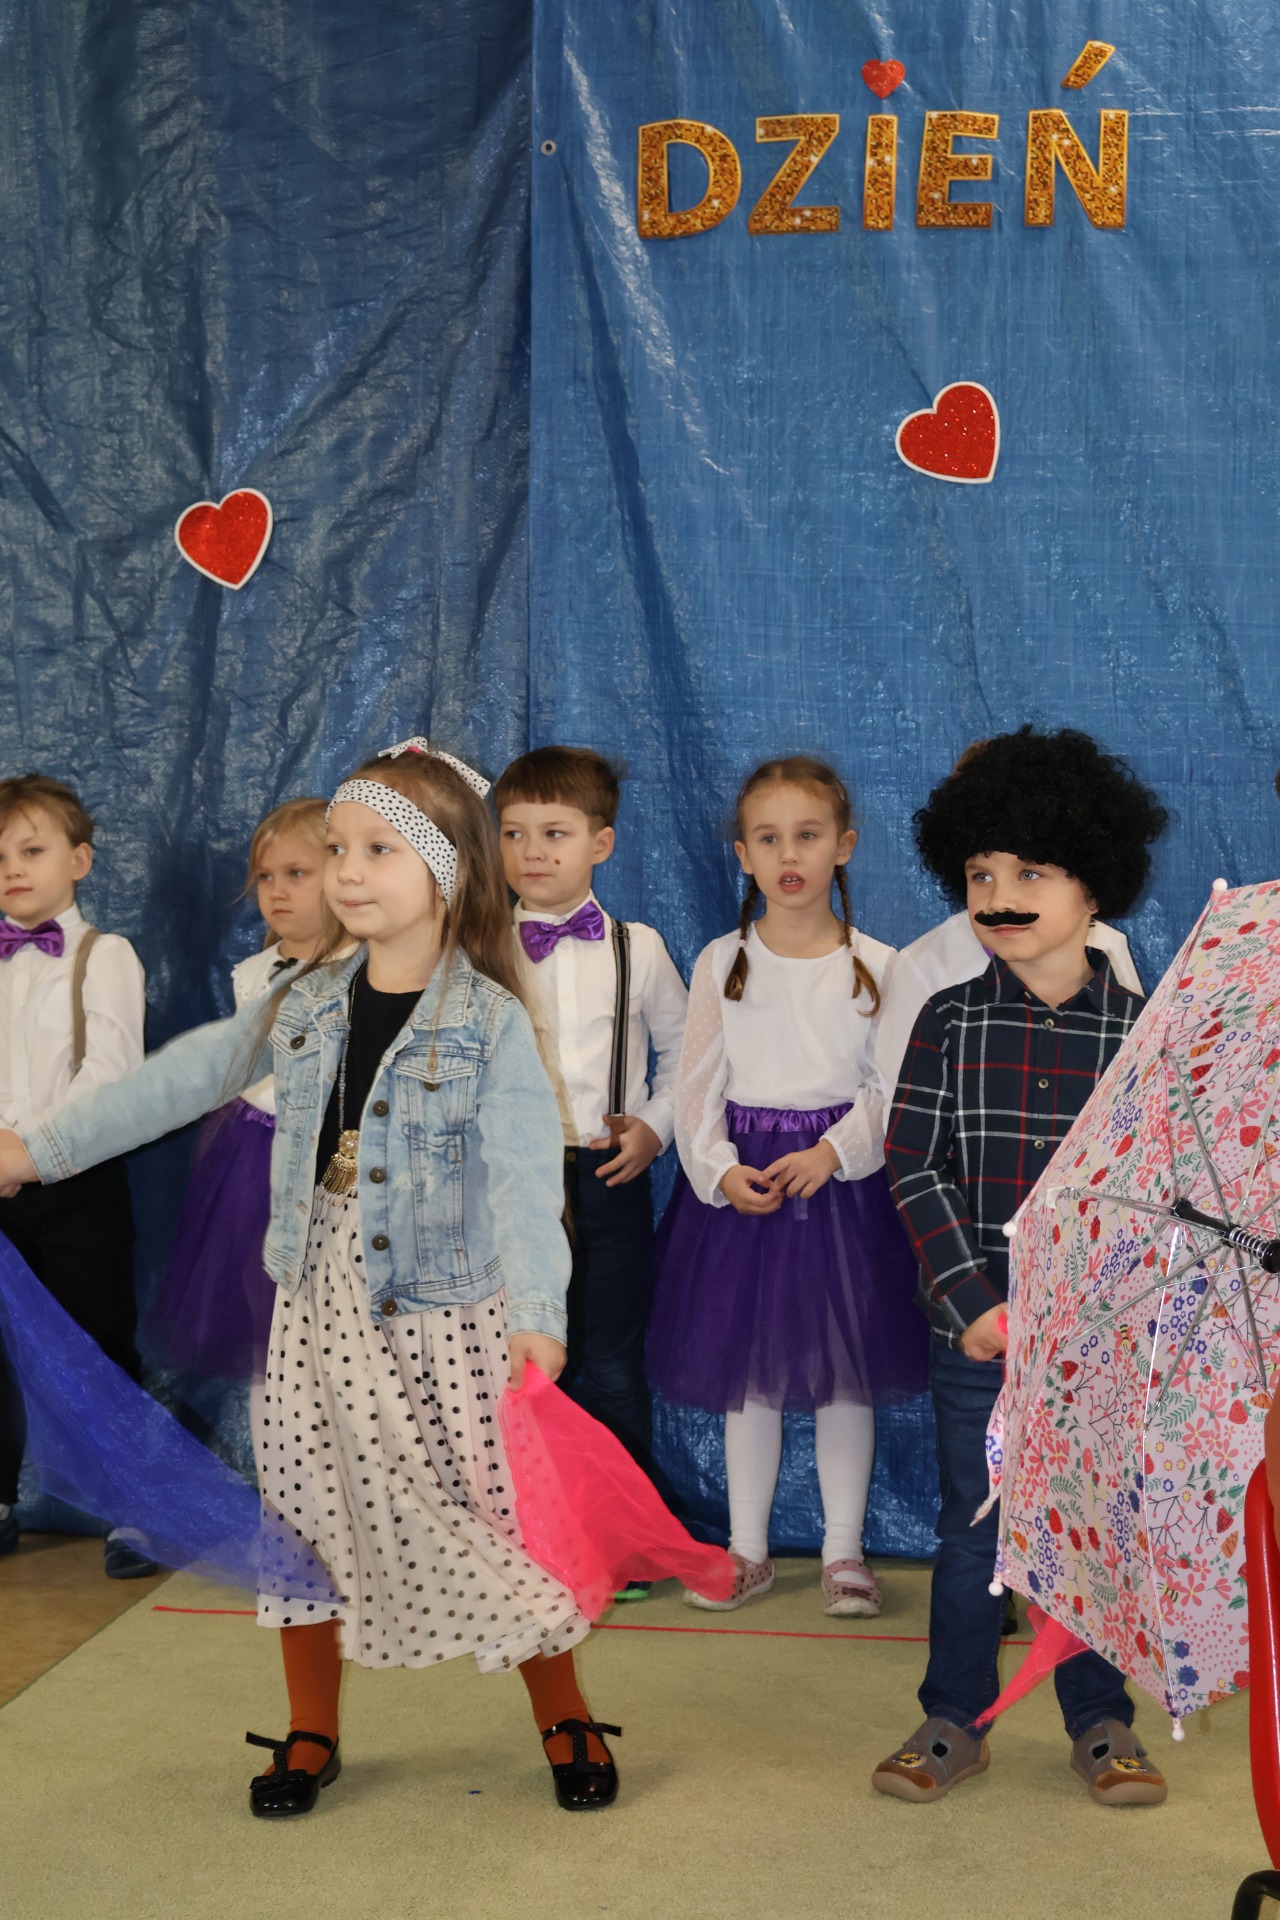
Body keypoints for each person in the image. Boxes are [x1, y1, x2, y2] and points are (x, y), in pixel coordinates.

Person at [0, 740, 621, 1819]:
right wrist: (36, 1149)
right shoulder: (306, 996)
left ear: (447, 871)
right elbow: (179, 1080)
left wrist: (537, 1314)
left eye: (378, 849)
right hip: (315, 1299)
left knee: (485, 1518)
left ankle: (564, 1714)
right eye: (337, 848)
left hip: (443, 1314)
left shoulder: (488, 1022)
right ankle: (309, 1729)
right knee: (303, 1515)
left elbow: (528, 1181)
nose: (346, 871)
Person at [872, 725, 1171, 1807]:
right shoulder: (947, 1020)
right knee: (973, 1532)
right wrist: (974, 1304)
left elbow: (1156, 1196)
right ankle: (954, 1717)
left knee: (1090, 1528)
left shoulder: (1142, 1034)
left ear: (1094, 888)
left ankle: (1100, 1721)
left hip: (1094, 1342)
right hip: (981, 1340)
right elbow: (913, 1165)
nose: (997, 898)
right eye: (979, 875)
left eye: (1029, 874)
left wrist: (1104, 1311)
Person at [646, 756, 927, 1618]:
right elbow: (697, 1082)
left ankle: (844, 1552)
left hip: (843, 1197)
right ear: (743, 855)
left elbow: (892, 1089)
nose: (788, 854)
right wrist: (718, 1167)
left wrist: (835, 1152)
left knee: (847, 1376)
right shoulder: (721, 960)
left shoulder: (880, 965)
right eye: (768, 839)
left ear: (844, 846)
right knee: (751, 1378)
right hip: (749, 1193)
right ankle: (748, 1549)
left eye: (807, 835)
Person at [494, 748, 686, 1603]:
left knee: (608, 1363)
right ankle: (531, 1534)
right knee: (523, 1364)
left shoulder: (638, 949)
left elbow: (687, 1054)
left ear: (601, 843)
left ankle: (626, 1544)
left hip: (606, 1177)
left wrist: (654, 1126)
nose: (533, 851)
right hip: (509, 1185)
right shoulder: (478, 948)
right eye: (514, 834)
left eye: (555, 833)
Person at [0, 772, 152, 1576]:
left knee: (97, 1340)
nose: (12, 870)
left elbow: (111, 1075)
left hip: (75, 1184)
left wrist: (26, 1152)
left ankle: (133, 1510)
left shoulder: (106, 955)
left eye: (31, 851)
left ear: (79, 861)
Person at [147, 799, 344, 1380]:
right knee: (263, 1305)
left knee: (331, 1305)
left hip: (331, 1153)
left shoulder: (365, 968)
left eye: (296, 873)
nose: (276, 891)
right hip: (252, 1154)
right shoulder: (253, 974)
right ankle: (277, 1417)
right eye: (264, 876)